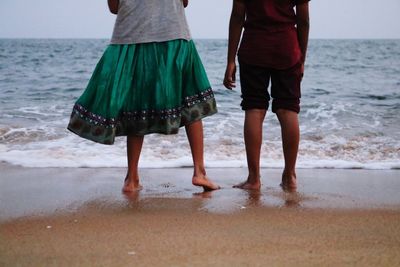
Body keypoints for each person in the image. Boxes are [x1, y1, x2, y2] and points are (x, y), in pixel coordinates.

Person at [68, 0, 220, 192]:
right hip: (173, 34)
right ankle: (199, 172)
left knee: (135, 104)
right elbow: (185, 2)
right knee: (191, 101)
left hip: (131, 36)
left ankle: (131, 179)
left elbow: (114, 8)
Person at [223, 0, 310, 191]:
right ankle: (290, 176)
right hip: (287, 48)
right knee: (288, 110)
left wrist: (230, 60)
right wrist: (302, 57)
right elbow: (303, 20)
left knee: (254, 109)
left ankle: (254, 179)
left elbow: (237, 16)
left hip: (254, 47)